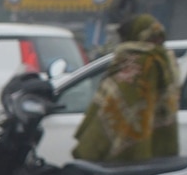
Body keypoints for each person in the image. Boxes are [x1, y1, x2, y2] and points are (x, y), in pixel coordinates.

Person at [72, 13, 180, 164]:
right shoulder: (167, 59)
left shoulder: (138, 61)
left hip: (127, 150)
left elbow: (116, 104)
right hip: (160, 141)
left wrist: (91, 147)